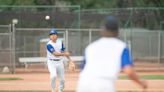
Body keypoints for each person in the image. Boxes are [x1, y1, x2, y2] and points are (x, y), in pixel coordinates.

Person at [76, 16, 147, 92]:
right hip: (104, 85)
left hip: (83, 83)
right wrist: (141, 83)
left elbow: (83, 68)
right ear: (117, 32)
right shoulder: (121, 47)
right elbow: (128, 71)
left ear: (102, 30)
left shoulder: (90, 47)